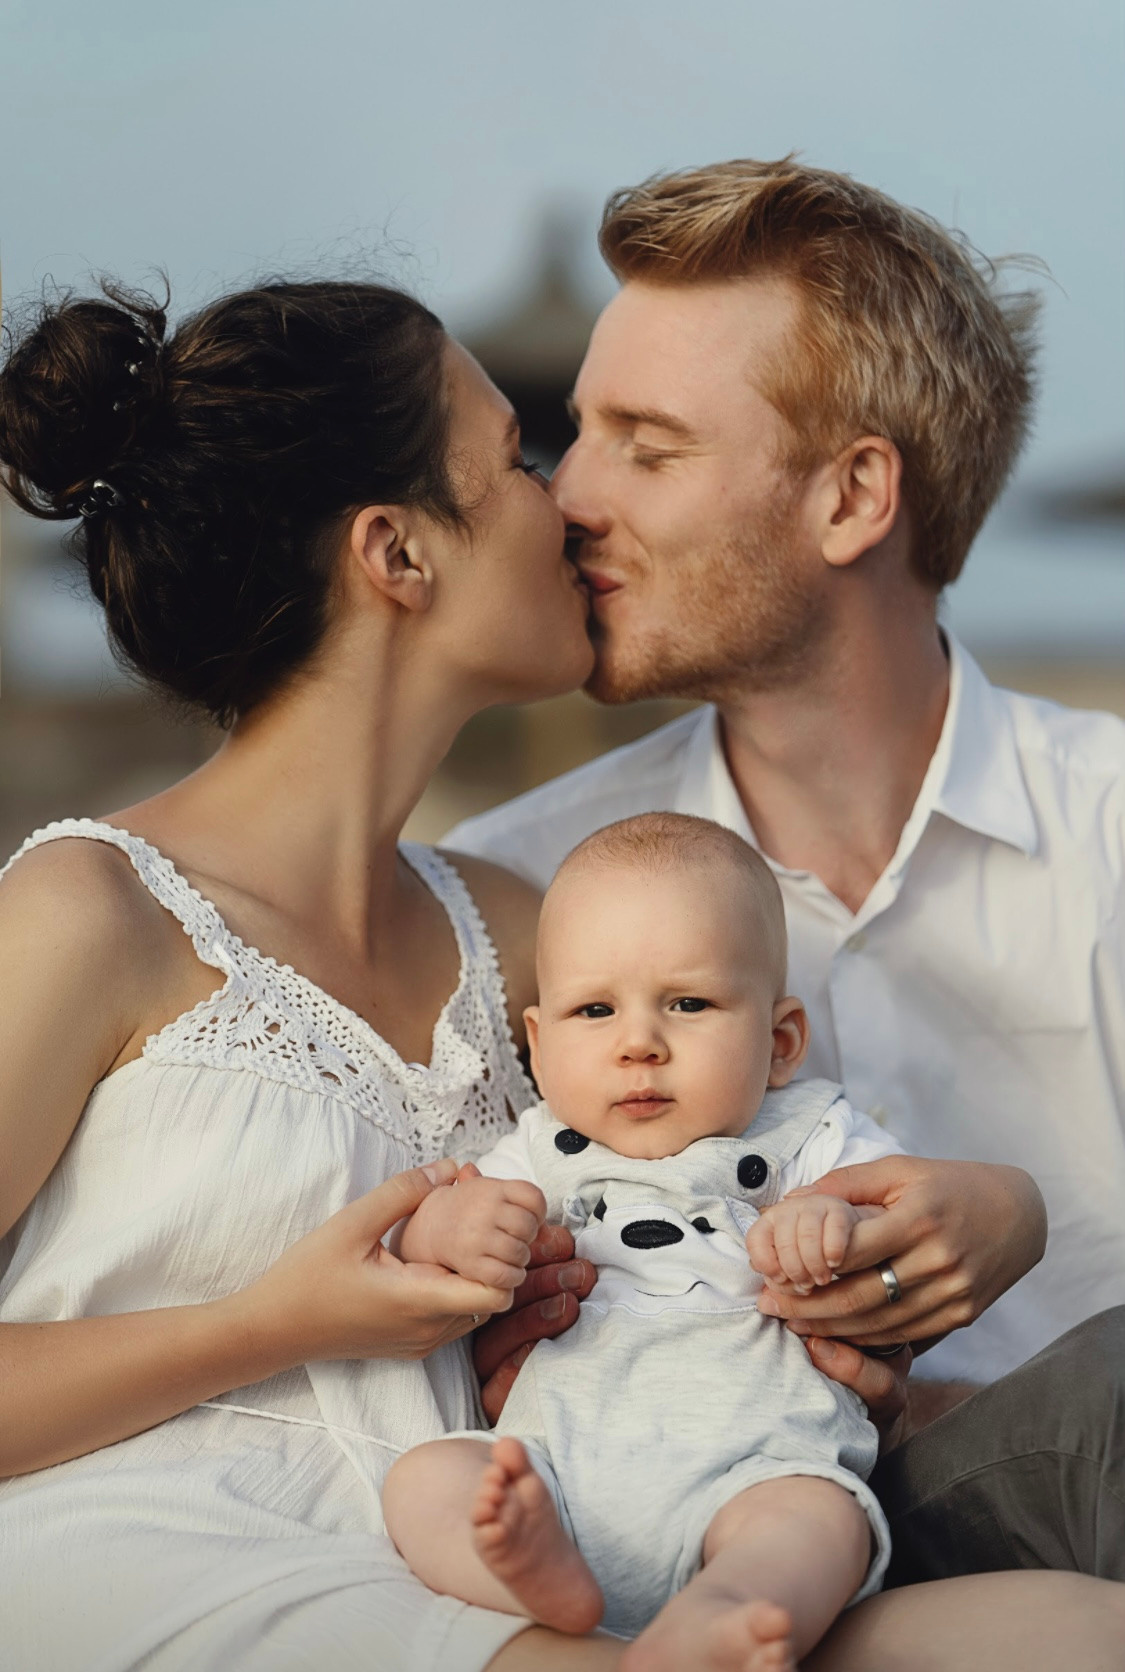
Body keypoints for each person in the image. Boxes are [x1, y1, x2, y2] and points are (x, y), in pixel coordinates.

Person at [0, 270, 1121, 1672]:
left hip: (530, 1553)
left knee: (1076, 1635)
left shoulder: (527, 924)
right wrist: (268, 1323)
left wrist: (903, 1276)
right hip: (187, 1561)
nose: (574, 502)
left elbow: (697, 1213)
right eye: (519, 460)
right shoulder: (90, 910)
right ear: (398, 554)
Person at [448, 158, 1125, 1586]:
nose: (565, 493)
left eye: (645, 442)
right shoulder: (516, 889)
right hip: (688, 1542)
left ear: (851, 497)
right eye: (579, 432)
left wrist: (1020, 1221)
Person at [384, 811, 918, 1672]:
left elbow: (898, 1215)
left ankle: (724, 1611)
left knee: (820, 1519)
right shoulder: (539, 1147)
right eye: (594, 1010)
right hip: (557, 1466)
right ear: (538, 1044)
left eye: (688, 1003)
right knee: (428, 1482)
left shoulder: (808, 1134)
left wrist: (833, 1221)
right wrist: (454, 1228)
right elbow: (423, 1235)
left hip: (755, 1462)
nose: (638, 1044)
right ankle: (533, 1581)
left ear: (779, 1043)